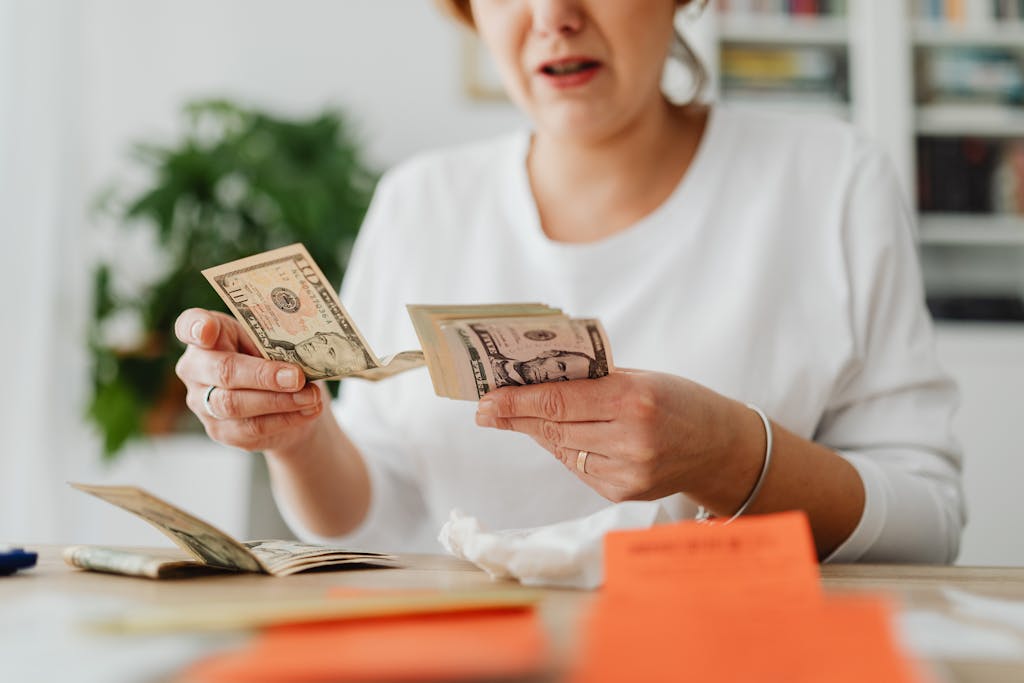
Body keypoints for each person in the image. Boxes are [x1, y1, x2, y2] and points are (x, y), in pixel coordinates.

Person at [174, 0, 964, 563]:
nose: (553, 13)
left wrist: (729, 456)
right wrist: (298, 437)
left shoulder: (833, 183)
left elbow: (930, 518)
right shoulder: (420, 202)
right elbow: (371, 516)